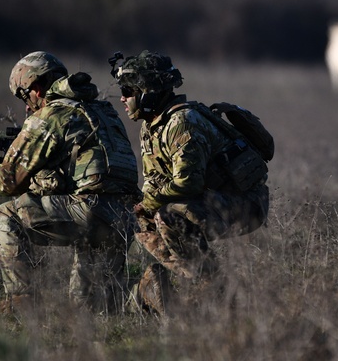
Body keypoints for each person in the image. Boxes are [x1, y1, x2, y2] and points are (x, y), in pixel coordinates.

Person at [0, 51, 140, 314]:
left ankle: (21, 302)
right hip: (124, 218)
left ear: (35, 87)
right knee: (90, 310)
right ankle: (147, 291)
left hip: (89, 213)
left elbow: (7, 183)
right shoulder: (104, 110)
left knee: (5, 215)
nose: (26, 106)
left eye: (24, 96)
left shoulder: (51, 115)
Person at [112, 50, 270, 307]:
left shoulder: (182, 123)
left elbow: (187, 183)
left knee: (167, 215)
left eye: (129, 91)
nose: (123, 98)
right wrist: (140, 207)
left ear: (149, 91)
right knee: (142, 219)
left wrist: (149, 203)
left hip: (245, 206)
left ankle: (216, 288)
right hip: (213, 202)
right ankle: (205, 283)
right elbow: (154, 180)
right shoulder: (152, 124)